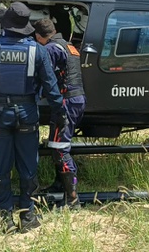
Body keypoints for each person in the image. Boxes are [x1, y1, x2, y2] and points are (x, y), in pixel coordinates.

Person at [0, 2, 65, 233]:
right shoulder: (37, 51)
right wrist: (60, 114)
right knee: (28, 165)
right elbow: (51, 88)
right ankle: (27, 214)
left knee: (1, 166)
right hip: (28, 114)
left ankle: (5, 217)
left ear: (6, 24)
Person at [33, 18, 86, 209]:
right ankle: (60, 184)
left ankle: (72, 199)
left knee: (60, 149)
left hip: (66, 102)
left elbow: (44, 74)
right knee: (58, 143)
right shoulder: (69, 46)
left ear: (39, 37)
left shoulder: (51, 49)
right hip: (77, 99)